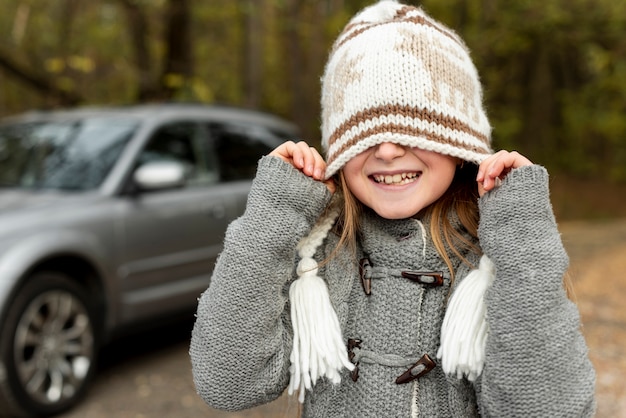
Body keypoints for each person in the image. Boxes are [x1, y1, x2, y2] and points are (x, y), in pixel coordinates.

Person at [190, 1, 596, 416]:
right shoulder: (319, 256)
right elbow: (228, 383)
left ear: (460, 148)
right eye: (363, 133)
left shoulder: (493, 259)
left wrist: (523, 231)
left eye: (413, 128)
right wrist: (271, 216)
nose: (386, 150)